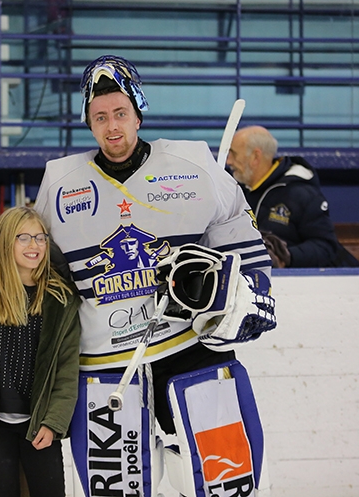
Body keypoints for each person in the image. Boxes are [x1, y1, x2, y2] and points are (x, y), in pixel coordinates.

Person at [33, 55, 275, 495]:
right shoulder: (60, 184)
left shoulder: (193, 164)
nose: (112, 127)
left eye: (120, 114)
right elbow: (39, 265)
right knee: (120, 491)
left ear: (138, 113)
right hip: (106, 364)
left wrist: (252, 289)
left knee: (226, 481)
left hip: (190, 347)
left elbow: (235, 220)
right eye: (100, 117)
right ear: (88, 123)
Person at [0, 206, 81, 497]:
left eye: (40, 237)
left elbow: (67, 369)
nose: (34, 246)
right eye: (23, 238)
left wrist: (54, 422)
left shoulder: (60, 299)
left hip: (40, 422)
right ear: (3, 242)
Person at [227, 125, 359, 268]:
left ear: (255, 156)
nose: (229, 161)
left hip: (302, 285)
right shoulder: (236, 193)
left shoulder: (301, 194)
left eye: (233, 154)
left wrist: (286, 256)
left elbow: (326, 247)